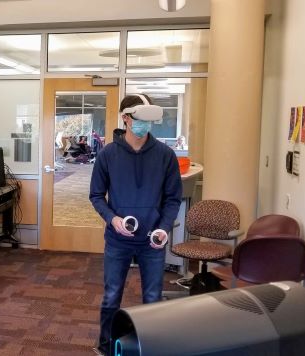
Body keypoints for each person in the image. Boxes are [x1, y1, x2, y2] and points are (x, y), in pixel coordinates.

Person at [89, 94, 182, 355]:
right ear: (126, 119)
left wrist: (164, 227)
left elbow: (173, 198)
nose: (145, 126)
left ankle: (150, 348)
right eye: (140, 120)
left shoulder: (165, 155)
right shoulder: (108, 154)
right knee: (111, 298)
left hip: (152, 241)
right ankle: (106, 347)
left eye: (149, 121)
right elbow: (96, 195)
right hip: (118, 240)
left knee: (152, 300)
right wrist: (112, 218)